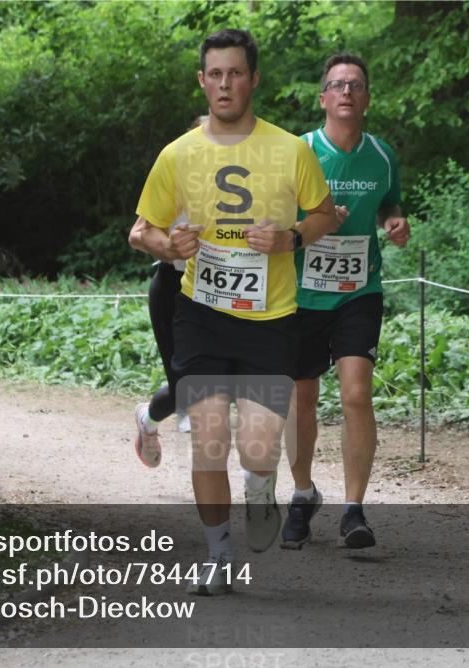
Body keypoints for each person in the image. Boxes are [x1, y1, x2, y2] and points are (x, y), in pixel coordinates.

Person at [131, 29, 338, 595]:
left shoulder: (291, 150)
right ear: (203, 81)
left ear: (254, 79)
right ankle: (218, 553)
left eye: (236, 73)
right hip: (200, 315)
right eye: (216, 74)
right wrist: (167, 246)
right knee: (209, 439)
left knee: (258, 451)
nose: (225, 84)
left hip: (271, 322)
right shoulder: (178, 153)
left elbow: (324, 215)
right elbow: (141, 230)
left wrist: (292, 238)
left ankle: (261, 485)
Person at [281, 54, 410, 550]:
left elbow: (389, 202)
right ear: (323, 98)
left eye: (355, 85)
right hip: (302, 293)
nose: (347, 92)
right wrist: (312, 224)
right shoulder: (300, 152)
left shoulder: (382, 155)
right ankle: (302, 494)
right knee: (302, 399)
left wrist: (393, 221)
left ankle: (354, 510)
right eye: (337, 85)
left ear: (367, 98)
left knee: (356, 394)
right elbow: (275, 221)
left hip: (359, 290)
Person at [129, 115, 209, 468]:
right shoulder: (173, 183)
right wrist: (169, 247)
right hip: (173, 289)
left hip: (218, 291)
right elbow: (136, 234)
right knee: (185, 391)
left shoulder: (240, 186)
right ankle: (148, 420)